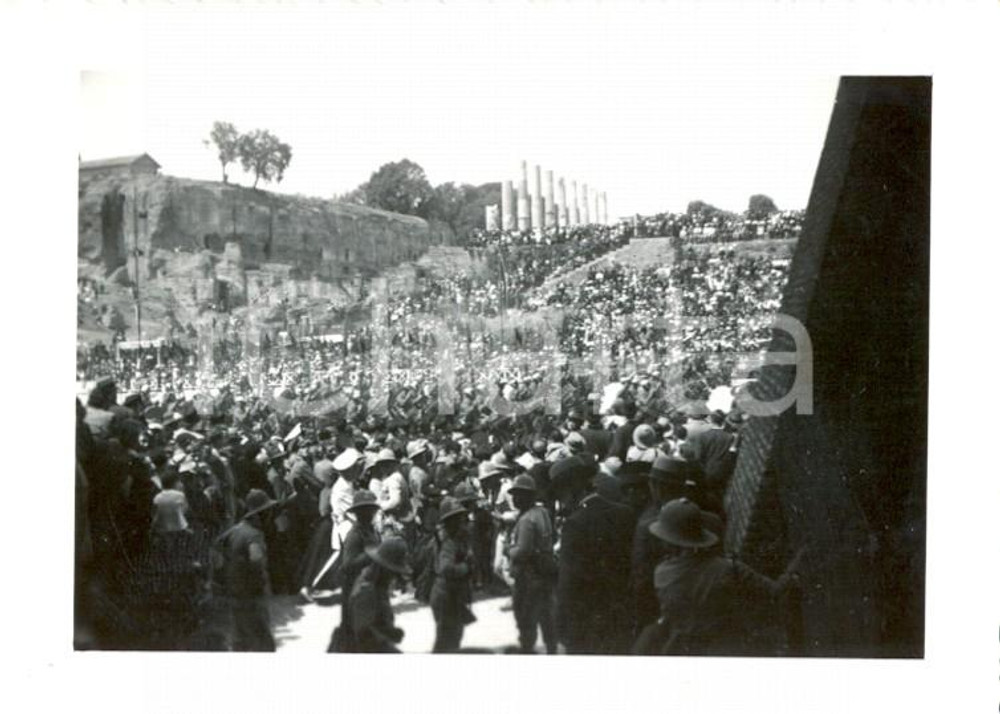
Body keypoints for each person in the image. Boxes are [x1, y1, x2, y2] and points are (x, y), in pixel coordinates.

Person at [634, 498, 803, 655]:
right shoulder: (728, 569)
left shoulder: (661, 573)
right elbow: (775, 591)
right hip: (725, 647)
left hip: (681, 648)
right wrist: (794, 567)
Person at [552, 457, 634, 654]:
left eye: (561, 493)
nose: (561, 500)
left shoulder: (575, 523)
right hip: (621, 613)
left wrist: (561, 625)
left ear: (572, 489)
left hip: (587, 619)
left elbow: (569, 582)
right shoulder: (625, 512)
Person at [217, 489, 278, 651]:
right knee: (263, 640)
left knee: (240, 638)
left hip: (234, 590)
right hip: (252, 593)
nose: (270, 515)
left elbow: (217, 549)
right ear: (259, 514)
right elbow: (256, 559)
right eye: (267, 512)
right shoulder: (254, 535)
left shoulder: (235, 530)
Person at [507, 474, 558, 654]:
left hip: (528, 577)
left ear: (529, 496)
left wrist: (509, 550)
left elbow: (523, 551)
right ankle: (551, 649)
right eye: (514, 494)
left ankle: (527, 650)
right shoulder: (542, 512)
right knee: (547, 618)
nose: (514, 498)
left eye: (519, 494)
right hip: (544, 573)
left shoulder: (527, 519)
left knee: (526, 620)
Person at [327, 489, 382, 652]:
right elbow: (348, 564)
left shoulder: (372, 530)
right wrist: (371, 555)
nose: (369, 513)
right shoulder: (355, 535)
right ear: (357, 513)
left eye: (371, 509)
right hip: (354, 589)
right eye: (364, 510)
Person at [344, 538, 411, 653]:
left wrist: (389, 631)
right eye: (393, 571)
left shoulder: (378, 586)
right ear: (383, 568)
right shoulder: (367, 592)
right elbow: (363, 637)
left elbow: (374, 622)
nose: (394, 577)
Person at [429, 497, 476, 653]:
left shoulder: (457, 537)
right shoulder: (448, 541)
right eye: (457, 517)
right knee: (446, 641)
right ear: (450, 520)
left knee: (453, 637)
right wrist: (465, 567)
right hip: (445, 595)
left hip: (452, 594)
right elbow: (446, 568)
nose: (462, 520)